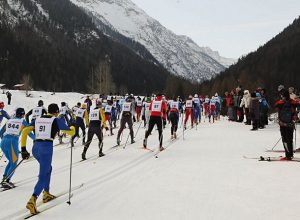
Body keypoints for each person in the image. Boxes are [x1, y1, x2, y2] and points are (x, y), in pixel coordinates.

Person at [20, 104, 75, 215]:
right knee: (43, 174)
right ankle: (33, 200)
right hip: (46, 149)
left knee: (48, 169)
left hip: (36, 148)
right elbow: (70, 132)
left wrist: (23, 149)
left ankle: (46, 194)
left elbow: (25, 131)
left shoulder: (39, 119)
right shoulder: (56, 119)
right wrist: (73, 127)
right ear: (56, 111)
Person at [0, 108, 34, 189]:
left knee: (11, 161)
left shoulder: (9, 120)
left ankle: (5, 177)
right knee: (14, 162)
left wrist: (5, 140)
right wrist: (37, 139)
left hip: (3, 141)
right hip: (12, 141)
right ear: (22, 114)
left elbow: (1, 132)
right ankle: (6, 181)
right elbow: (29, 133)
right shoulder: (22, 121)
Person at [275, 89, 299, 160]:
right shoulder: (293, 102)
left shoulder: (280, 103)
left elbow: (275, 105)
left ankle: (287, 155)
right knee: (290, 139)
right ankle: (290, 154)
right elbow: (297, 104)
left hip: (283, 124)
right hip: (290, 124)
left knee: (285, 139)